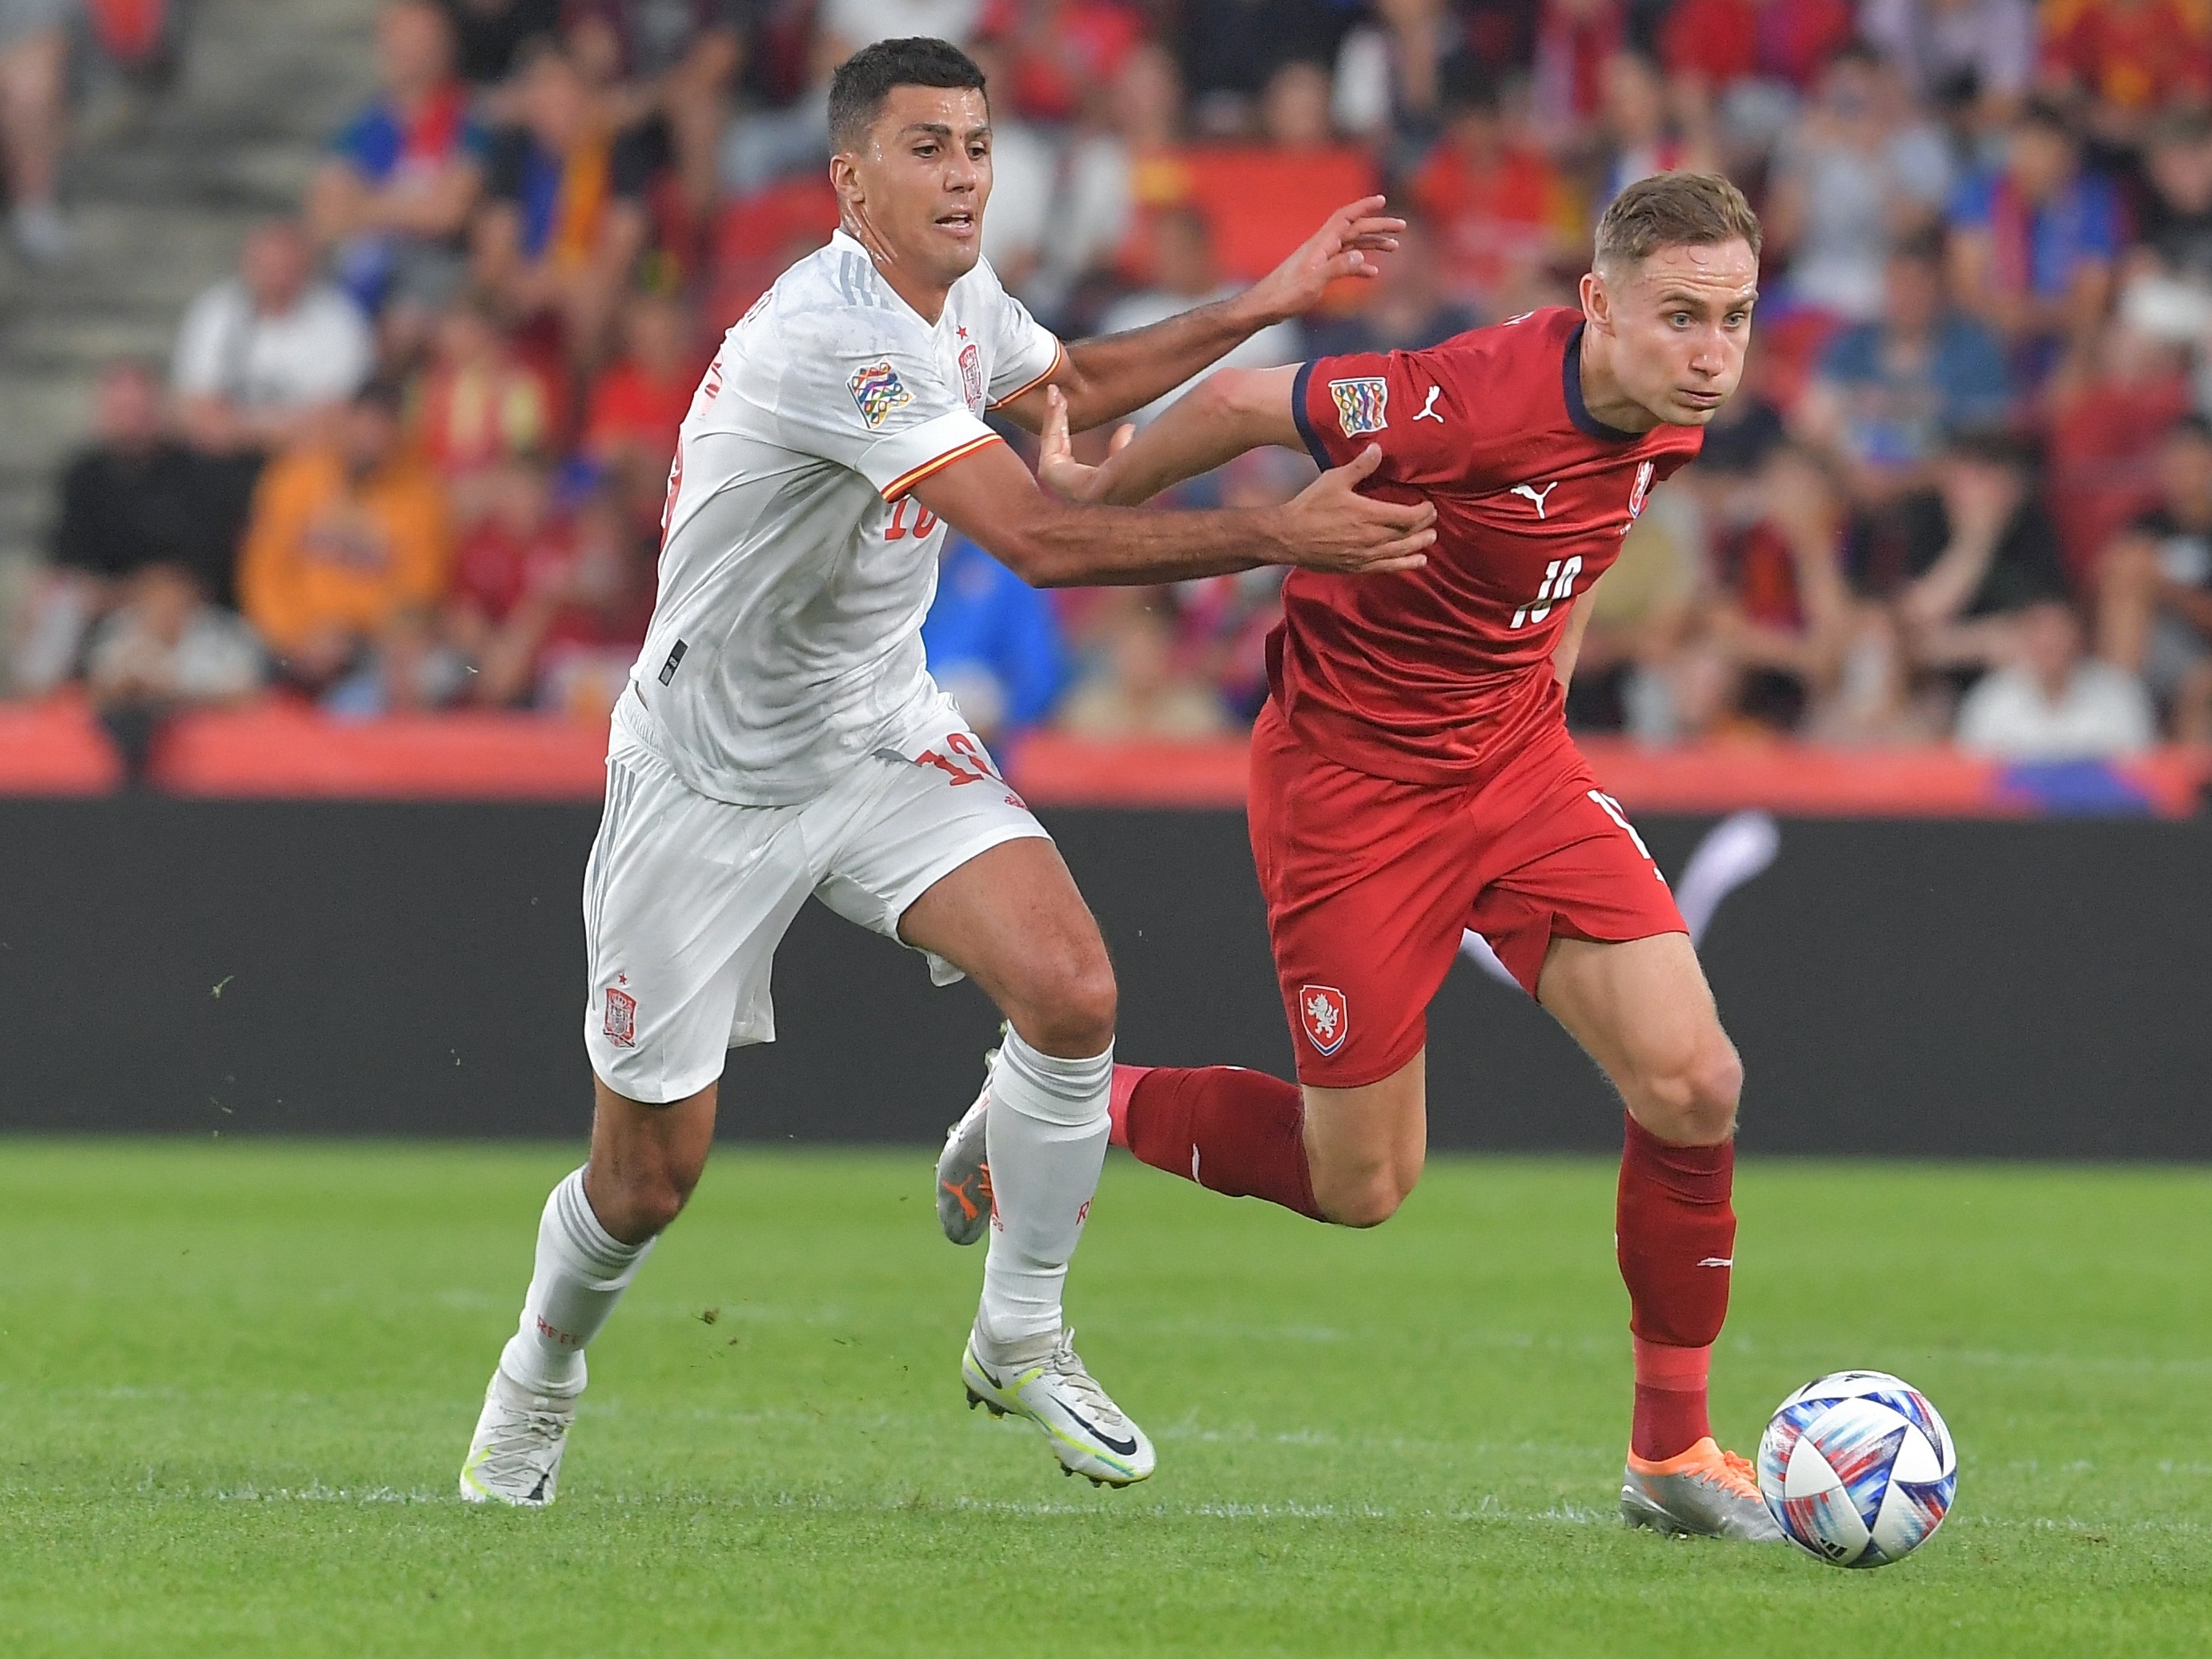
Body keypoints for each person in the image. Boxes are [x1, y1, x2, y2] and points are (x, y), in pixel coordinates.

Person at [456, 36, 1436, 1508]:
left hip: (874, 726)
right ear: (850, 182)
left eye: (975, 143)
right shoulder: (829, 338)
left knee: (1073, 990)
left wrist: (1261, 303)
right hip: (707, 775)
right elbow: (1038, 538)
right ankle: (541, 1372)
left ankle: (1019, 1334)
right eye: (926, 147)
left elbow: (1074, 387)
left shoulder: (956, 297)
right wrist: (1277, 532)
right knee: (646, 1179)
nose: (964, 171)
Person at [949, 171, 1786, 1542]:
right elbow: (1235, 405)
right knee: (1363, 1185)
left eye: (1734, 318)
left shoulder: (1671, 416)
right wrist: (1096, 481)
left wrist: (1539, 707)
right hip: (1353, 793)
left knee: (1694, 1080)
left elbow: (1567, 553)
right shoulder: (1470, 397)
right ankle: (1064, 1108)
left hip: (1514, 768)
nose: (1710, 351)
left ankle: (1672, 1452)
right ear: (1595, 307)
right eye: (1680, 316)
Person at [236, 381, 452, 690]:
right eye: (362, 429)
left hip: (370, 649)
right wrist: (296, 634)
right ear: (345, 423)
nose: (368, 442)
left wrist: (352, 634)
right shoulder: (294, 478)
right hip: (290, 646)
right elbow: (262, 570)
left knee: (445, 673)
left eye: (380, 433)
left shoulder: (421, 496)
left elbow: (419, 592)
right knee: (241, 668)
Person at [309, 0, 489, 317]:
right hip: (360, 271)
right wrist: (412, 207)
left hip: (434, 277)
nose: (411, 54)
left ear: (446, 47)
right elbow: (327, 216)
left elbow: (446, 215)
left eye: (422, 42)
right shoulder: (359, 125)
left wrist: (364, 206)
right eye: (402, 41)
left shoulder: (470, 121)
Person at [171, 220, 378, 457]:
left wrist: (238, 428)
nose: (277, 278)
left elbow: (335, 420)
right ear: (246, 265)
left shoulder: (341, 320)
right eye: (267, 267)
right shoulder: (214, 312)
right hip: (223, 460)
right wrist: (282, 429)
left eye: (287, 268)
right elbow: (198, 412)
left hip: (305, 462)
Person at [2096, 416, 2212, 741]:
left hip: (2200, 648)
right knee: (2127, 569)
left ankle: (2187, 783)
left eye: (2191, 461)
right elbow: (2101, 594)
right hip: (2149, 646)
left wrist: (2164, 585)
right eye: (2173, 462)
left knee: (2202, 682)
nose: (2180, 473)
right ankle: (2118, 714)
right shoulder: (2146, 524)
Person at [1954, 598, 2154, 760]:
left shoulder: (2119, 693)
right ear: (2023, 639)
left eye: (2059, 632)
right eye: (2040, 632)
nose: (2050, 641)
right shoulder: (1991, 697)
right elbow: (1973, 778)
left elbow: (2142, 774)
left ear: (2079, 638)